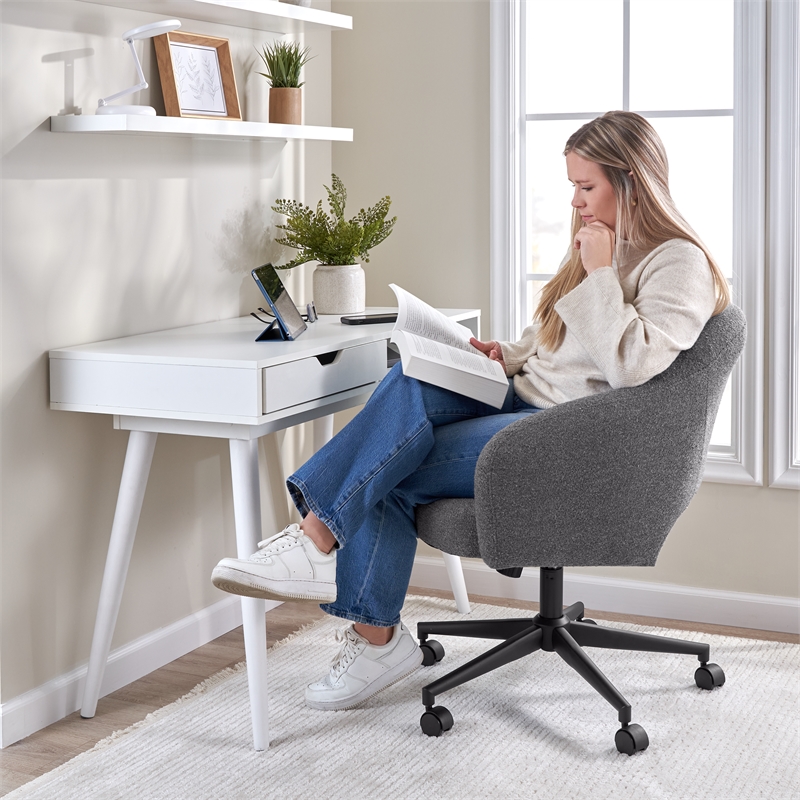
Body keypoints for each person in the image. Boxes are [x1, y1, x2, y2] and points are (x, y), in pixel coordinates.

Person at [211, 110, 730, 711]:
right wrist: (504, 354)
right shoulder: (601, 244)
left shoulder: (677, 263)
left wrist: (599, 276)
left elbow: (633, 365)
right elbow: (560, 343)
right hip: (520, 399)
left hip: (564, 437)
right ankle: (322, 545)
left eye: (587, 187)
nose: (577, 202)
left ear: (632, 180)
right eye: (571, 187)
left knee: (391, 468)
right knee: (407, 379)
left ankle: (352, 601)